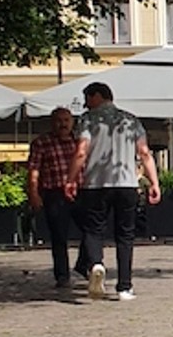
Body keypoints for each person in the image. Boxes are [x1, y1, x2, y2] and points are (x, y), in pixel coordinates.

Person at [65, 82, 160, 301]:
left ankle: (96, 263)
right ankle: (124, 287)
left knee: (93, 230)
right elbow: (144, 153)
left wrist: (71, 179)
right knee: (125, 235)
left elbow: (81, 152)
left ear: (97, 96)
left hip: (95, 184)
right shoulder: (131, 120)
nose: (86, 104)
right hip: (126, 183)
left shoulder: (88, 120)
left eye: (87, 98)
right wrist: (153, 182)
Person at [26, 107, 81, 289]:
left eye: (66, 120)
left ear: (72, 122)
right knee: (59, 236)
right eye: (59, 120)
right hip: (55, 193)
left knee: (92, 230)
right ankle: (62, 275)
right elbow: (33, 170)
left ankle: (85, 265)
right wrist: (34, 193)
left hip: (80, 191)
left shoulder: (80, 141)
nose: (63, 124)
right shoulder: (42, 143)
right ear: (52, 123)